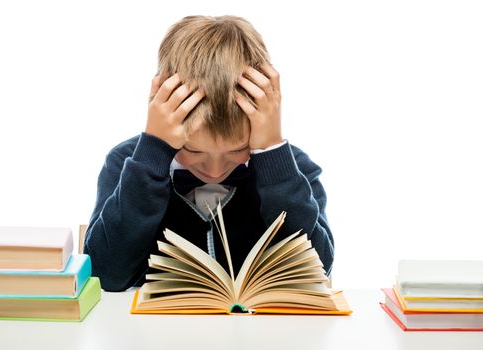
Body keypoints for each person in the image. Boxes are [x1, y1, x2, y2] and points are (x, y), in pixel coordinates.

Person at [84, 15, 334, 292]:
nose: (214, 171)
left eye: (238, 149)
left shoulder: (292, 167)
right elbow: (105, 275)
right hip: (156, 334)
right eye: (193, 150)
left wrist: (273, 154)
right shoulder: (128, 164)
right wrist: (152, 153)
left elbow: (317, 272)